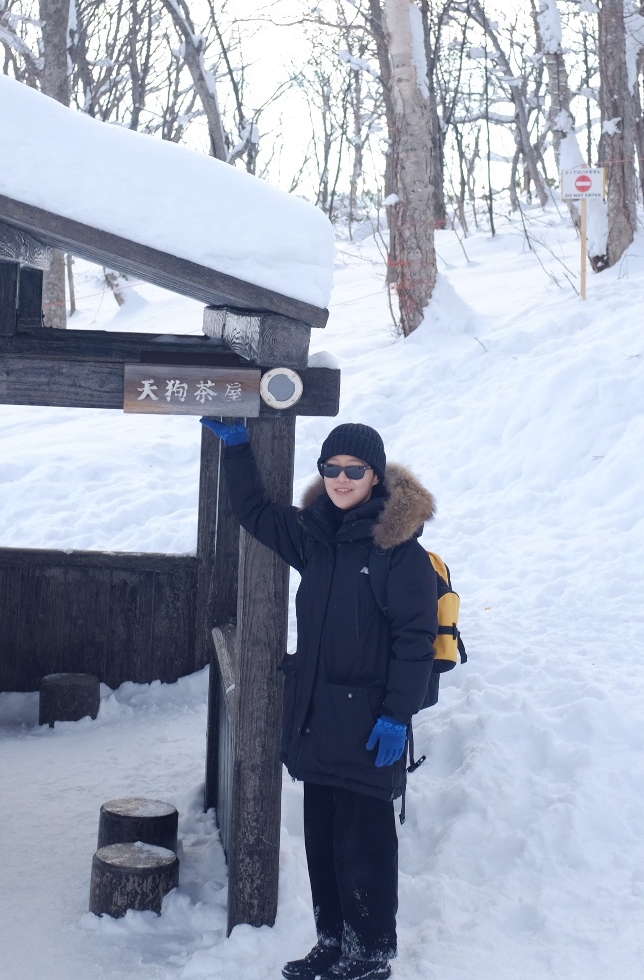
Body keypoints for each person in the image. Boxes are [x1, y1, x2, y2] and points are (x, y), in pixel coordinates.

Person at [200, 418, 437, 980]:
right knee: (325, 841)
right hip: (317, 717)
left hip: (370, 726)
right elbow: (255, 513)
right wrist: (235, 451)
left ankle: (370, 954)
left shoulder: (399, 553)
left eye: (353, 470)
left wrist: (396, 717)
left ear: (374, 475)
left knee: (366, 847)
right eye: (330, 468)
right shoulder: (315, 534)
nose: (340, 478)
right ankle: (333, 943)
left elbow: (416, 642)